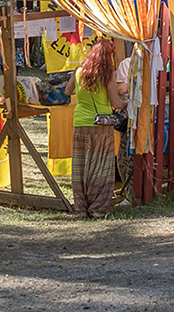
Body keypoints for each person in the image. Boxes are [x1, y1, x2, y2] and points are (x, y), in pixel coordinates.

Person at [64, 39, 127, 218]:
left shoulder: (79, 71)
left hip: (81, 122)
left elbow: (68, 91)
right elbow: (116, 103)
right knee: (100, 167)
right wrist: (127, 103)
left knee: (81, 166)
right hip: (102, 124)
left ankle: (82, 208)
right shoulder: (107, 76)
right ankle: (98, 208)